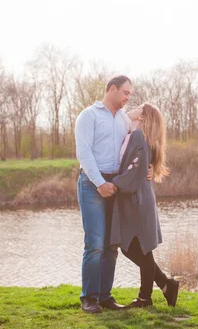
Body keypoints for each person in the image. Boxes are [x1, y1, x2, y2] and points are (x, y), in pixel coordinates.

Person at [109, 103, 180, 308]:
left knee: (137, 247)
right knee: (134, 248)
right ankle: (165, 285)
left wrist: (112, 184)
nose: (133, 107)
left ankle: (145, 298)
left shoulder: (140, 137)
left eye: (139, 107)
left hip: (136, 200)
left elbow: (134, 171)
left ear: (143, 117)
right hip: (134, 199)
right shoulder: (134, 136)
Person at [75, 75, 132, 314]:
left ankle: (105, 296)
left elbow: (134, 148)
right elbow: (83, 151)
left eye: (130, 94)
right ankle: (89, 298)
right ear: (112, 89)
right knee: (95, 243)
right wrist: (99, 183)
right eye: (125, 92)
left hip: (115, 184)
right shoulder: (89, 115)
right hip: (91, 183)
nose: (128, 97)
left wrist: (148, 167)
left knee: (112, 245)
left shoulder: (124, 119)